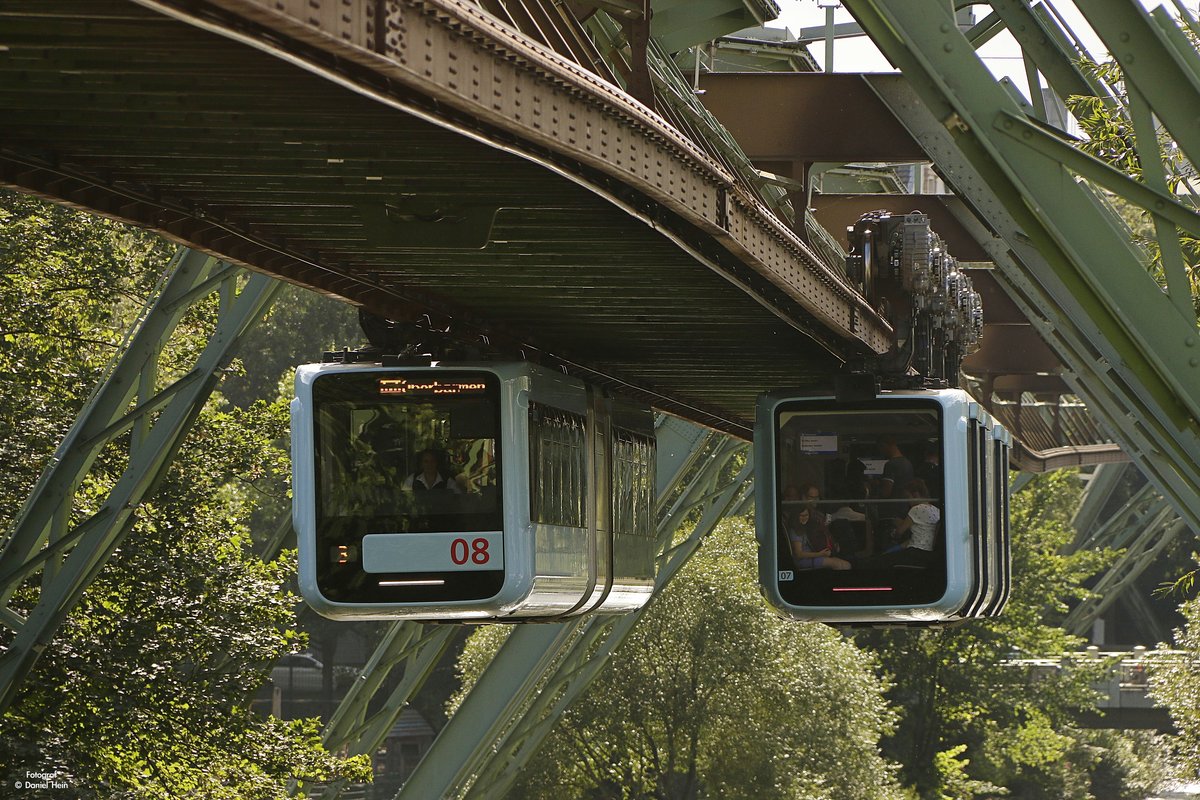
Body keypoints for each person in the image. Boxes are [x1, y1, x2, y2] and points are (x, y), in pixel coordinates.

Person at [872, 478, 940, 568]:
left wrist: (897, 525)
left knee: (880, 561)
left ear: (916, 495)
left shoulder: (916, 509)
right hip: (927, 553)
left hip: (914, 552)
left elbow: (899, 532)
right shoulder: (936, 510)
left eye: (908, 497)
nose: (908, 501)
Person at [783, 499, 851, 571]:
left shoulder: (803, 527)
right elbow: (798, 554)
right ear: (796, 516)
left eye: (806, 515)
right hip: (803, 560)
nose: (804, 518)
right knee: (840, 565)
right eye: (801, 516)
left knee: (845, 564)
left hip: (812, 557)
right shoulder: (795, 531)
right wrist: (820, 554)